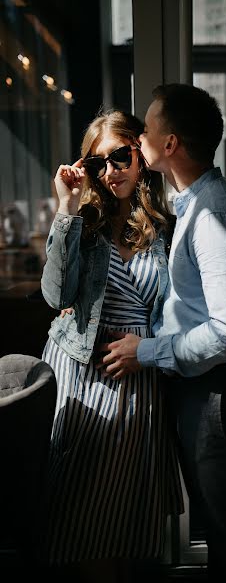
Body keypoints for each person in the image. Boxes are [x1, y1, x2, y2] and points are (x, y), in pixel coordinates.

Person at [98, 84, 226, 583]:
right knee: (223, 527)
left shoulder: (214, 209)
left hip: (215, 390)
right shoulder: (195, 203)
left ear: (170, 143)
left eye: (148, 127)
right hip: (202, 386)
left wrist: (146, 351)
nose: (139, 135)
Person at [38, 109, 183, 583]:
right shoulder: (83, 223)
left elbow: (183, 305)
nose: (112, 171)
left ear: (140, 156)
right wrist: (66, 208)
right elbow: (57, 295)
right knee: (79, 510)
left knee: (120, 512)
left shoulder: (164, 227)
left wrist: (149, 347)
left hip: (136, 375)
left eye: (121, 157)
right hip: (80, 372)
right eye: (99, 163)